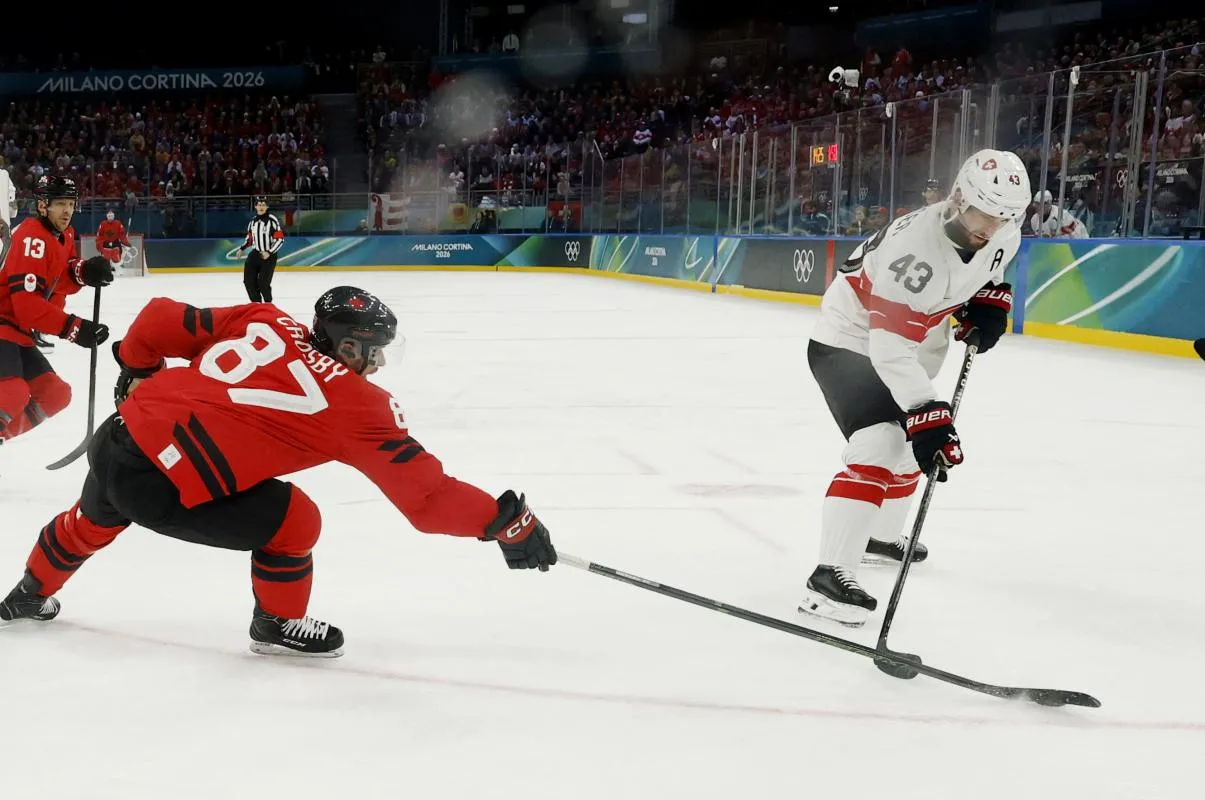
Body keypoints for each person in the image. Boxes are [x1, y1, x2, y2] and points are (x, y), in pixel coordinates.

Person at [0, 286, 558, 657]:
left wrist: (139, 372)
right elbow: (428, 499)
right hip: (163, 485)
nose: (380, 362)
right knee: (297, 520)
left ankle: (28, 594)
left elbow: (155, 320)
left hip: (119, 438)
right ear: (345, 345)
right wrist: (503, 521)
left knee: (89, 520)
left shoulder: (267, 319)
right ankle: (276, 623)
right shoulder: (360, 406)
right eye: (374, 350)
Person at [799, 149, 1029, 627]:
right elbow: (888, 352)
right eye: (983, 215)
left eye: (1003, 217)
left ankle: (879, 539)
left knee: (909, 447)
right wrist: (927, 412)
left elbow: (990, 265)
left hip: (913, 342)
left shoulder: (1004, 231)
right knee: (881, 440)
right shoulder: (916, 252)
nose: (990, 227)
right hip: (850, 341)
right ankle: (827, 576)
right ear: (959, 198)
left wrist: (987, 301)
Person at [0, 176, 113, 446]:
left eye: (71, 204)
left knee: (55, 394)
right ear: (42, 206)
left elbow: (58, 279)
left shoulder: (63, 235)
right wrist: (74, 328)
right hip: (3, 324)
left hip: (18, 332)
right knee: (12, 393)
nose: (67, 211)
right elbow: (27, 306)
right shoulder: (31, 239)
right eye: (60, 204)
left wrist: (84, 271)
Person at [236, 196, 284, 303]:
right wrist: (242, 248)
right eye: (259, 204)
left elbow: (280, 239)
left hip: (269, 256)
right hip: (255, 254)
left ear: (267, 207)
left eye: (263, 205)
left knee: (263, 283)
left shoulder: (272, 220)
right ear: (255, 207)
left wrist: (269, 252)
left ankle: (268, 305)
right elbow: (249, 239)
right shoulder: (253, 222)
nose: (261, 207)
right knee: (248, 281)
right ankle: (257, 304)